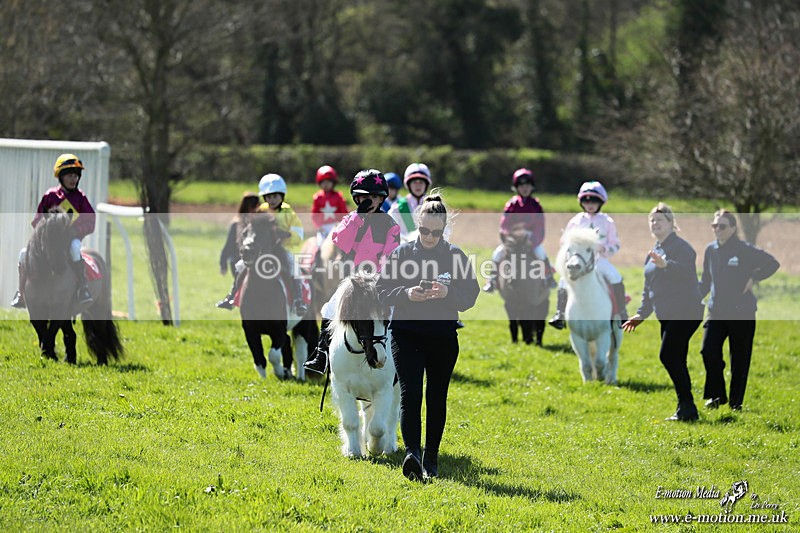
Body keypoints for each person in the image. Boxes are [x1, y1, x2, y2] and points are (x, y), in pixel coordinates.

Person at [377, 193, 480, 481]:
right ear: (418, 224)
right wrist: (407, 294)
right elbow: (382, 290)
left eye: (436, 232)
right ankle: (412, 454)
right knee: (410, 395)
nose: (430, 237)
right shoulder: (402, 253)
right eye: (424, 230)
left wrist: (449, 294)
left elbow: (471, 294)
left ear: (443, 229)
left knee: (436, 397)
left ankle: (431, 458)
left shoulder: (455, 256)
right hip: (406, 335)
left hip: (443, 337)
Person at [303, 169, 401, 375]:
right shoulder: (351, 220)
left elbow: (390, 256)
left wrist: (376, 277)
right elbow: (341, 241)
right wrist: (359, 217)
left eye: (374, 197)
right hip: (353, 280)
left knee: (393, 314)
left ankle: (400, 355)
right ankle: (322, 355)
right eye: (365, 197)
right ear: (357, 199)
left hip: (379, 281)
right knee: (329, 308)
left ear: (382, 198)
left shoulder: (390, 225)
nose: (370, 201)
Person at [622, 204, 705, 421]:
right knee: (677, 358)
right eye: (652, 220)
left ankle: (688, 407)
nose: (655, 224)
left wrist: (667, 265)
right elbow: (649, 289)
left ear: (671, 223)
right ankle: (686, 410)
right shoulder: (654, 251)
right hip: (666, 314)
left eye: (660, 220)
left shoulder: (682, 248)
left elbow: (687, 272)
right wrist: (640, 314)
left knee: (667, 355)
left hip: (686, 310)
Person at [698, 209, 779, 412]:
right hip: (715, 311)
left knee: (740, 359)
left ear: (733, 228)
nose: (717, 229)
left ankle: (736, 404)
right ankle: (717, 395)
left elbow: (772, 263)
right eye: (714, 225)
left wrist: (754, 277)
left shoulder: (744, 249)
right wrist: (691, 299)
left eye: (722, 226)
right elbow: (706, 281)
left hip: (742, 312)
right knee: (708, 351)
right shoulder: (710, 250)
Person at [11, 153, 96, 309]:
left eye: (76, 176)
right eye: (70, 175)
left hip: (70, 240)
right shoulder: (49, 196)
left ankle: (83, 288)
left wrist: (75, 231)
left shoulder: (81, 198)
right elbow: (37, 220)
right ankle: (21, 293)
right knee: (23, 254)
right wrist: (44, 232)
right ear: (61, 177)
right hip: (48, 241)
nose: (74, 179)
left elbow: (91, 221)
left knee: (75, 249)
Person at [549, 180, 627, 328]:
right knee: (563, 281)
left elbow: (615, 244)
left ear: (601, 202)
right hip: (580, 261)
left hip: (600, 261)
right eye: (586, 200)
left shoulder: (607, 221)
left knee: (615, 276)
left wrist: (603, 249)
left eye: (594, 201)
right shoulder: (576, 221)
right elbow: (564, 242)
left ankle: (622, 314)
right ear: (581, 202)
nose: (590, 204)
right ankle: (560, 314)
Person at [483, 168, 556, 292]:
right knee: (498, 253)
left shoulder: (536, 205)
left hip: (530, 239)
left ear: (532, 186)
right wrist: (508, 238)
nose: (525, 188)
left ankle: (548, 278)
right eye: (521, 185)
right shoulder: (511, 204)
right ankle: (492, 280)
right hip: (513, 239)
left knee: (540, 253)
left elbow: (540, 226)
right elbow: (505, 224)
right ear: (516, 187)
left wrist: (534, 241)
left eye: (527, 185)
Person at [257, 173, 306, 315]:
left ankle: (298, 300)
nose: (271, 200)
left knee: (294, 269)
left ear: (282, 196)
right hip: (262, 250)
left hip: (283, 250)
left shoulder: (288, 211)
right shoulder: (261, 211)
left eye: (275, 196)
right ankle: (234, 295)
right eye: (268, 197)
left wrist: (287, 235)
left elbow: (299, 234)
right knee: (242, 265)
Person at [215, 192, 260, 310]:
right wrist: (223, 263)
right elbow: (228, 245)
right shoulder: (236, 224)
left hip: (256, 258)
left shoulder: (259, 223)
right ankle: (232, 297)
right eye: (256, 206)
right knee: (241, 273)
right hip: (239, 259)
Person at [388, 163, 432, 240]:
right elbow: (390, 232)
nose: (418, 185)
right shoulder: (397, 207)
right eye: (414, 182)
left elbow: (445, 232)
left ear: (427, 185)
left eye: (421, 182)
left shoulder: (434, 206)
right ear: (408, 185)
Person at [311, 165, 348, 244]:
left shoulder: (338, 196)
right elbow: (315, 215)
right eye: (323, 182)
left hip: (337, 227)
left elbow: (344, 212)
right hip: (323, 228)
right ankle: (317, 256)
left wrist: (342, 225)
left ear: (333, 182)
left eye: (328, 182)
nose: (326, 184)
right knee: (319, 244)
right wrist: (319, 226)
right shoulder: (317, 198)